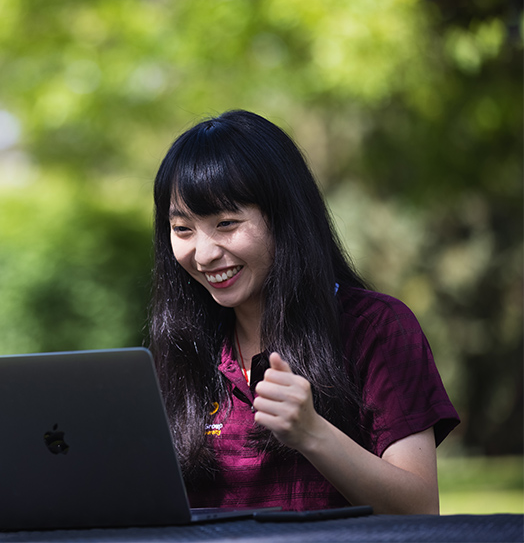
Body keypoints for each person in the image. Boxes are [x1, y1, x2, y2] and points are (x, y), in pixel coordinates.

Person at [148, 109, 459, 514]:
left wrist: (313, 434)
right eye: (183, 229)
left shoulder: (376, 327)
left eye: (226, 223)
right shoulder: (183, 345)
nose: (204, 254)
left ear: (284, 218)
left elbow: (420, 509)